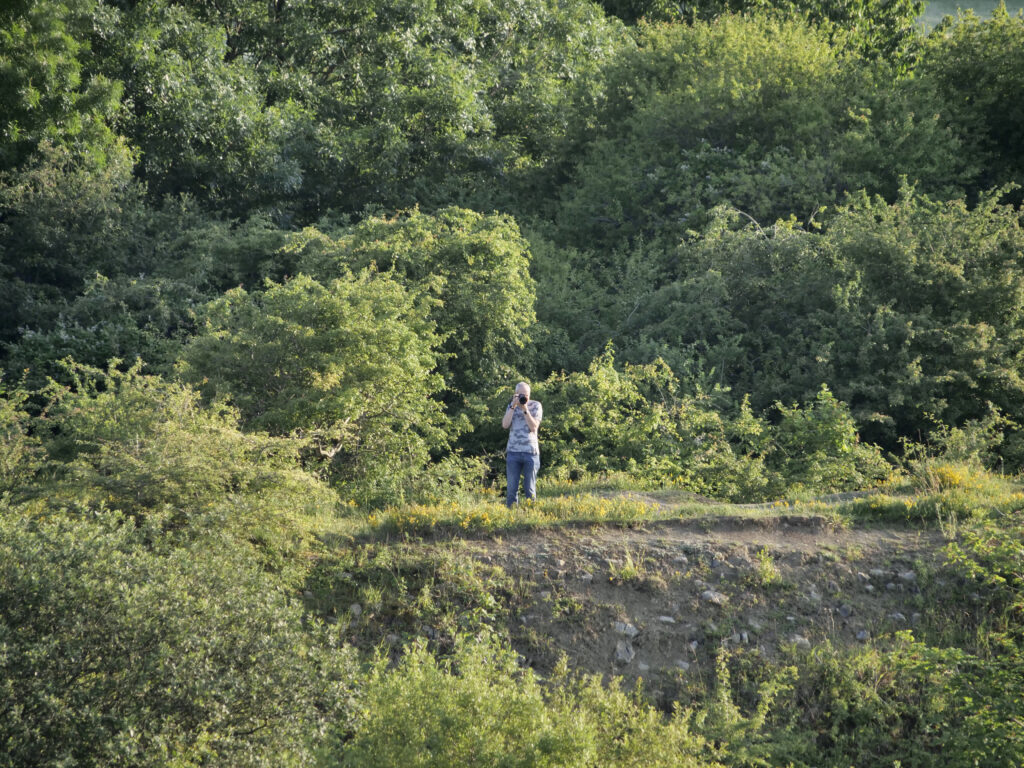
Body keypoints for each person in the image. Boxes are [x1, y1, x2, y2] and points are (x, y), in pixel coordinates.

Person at [502, 381, 542, 507]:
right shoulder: (511, 406)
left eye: (526, 395)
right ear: (516, 394)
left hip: (531, 453)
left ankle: (531, 515)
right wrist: (513, 406)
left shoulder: (536, 406)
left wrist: (525, 410)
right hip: (513, 452)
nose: (524, 397)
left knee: (530, 488)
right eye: (521, 394)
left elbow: (534, 427)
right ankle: (512, 518)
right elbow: (505, 425)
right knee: (511, 489)